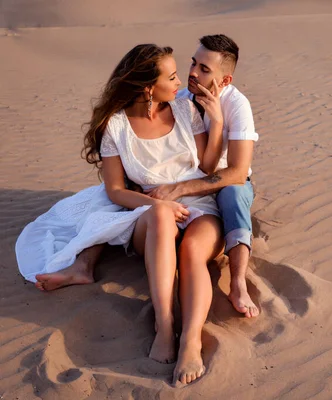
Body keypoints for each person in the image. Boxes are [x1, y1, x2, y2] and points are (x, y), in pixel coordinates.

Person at [17, 44, 224, 386]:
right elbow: (115, 191)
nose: (179, 83)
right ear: (147, 87)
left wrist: (215, 122)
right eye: (171, 77)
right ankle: (164, 324)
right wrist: (159, 205)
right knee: (159, 217)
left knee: (191, 253)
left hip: (198, 204)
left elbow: (207, 167)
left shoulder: (187, 108)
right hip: (150, 213)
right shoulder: (115, 126)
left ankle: (191, 341)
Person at [34, 34, 261, 319]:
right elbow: (124, 178)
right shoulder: (181, 97)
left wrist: (215, 124)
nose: (191, 74)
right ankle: (86, 267)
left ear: (224, 81)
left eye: (204, 69)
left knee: (234, 196)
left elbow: (234, 172)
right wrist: (160, 198)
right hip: (170, 194)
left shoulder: (234, 105)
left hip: (221, 182)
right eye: (193, 63)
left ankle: (237, 282)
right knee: (109, 200)